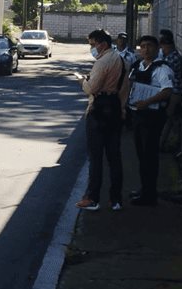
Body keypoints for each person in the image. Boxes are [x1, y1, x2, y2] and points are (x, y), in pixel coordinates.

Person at [75, 29, 129, 211]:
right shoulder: (122, 60)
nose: (92, 48)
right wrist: (121, 108)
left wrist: (82, 81)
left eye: (92, 44)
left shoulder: (102, 62)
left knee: (95, 156)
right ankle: (116, 199)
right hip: (114, 107)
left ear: (102, 44)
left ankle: (92, 198)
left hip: (99, 109)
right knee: (114, 156)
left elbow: (92, 88)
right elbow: (125, 89)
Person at [127, 35, 175, 206]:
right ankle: (145, 189)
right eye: (143, 46)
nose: (146, 49)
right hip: (138, 116)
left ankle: (150, 195)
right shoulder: (138, 66)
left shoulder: (162, 69)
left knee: (149, 156)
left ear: (157, 48)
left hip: (152, 118)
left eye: (149, 46)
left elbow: (167, 91)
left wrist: (146, 102)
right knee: (142, 155)